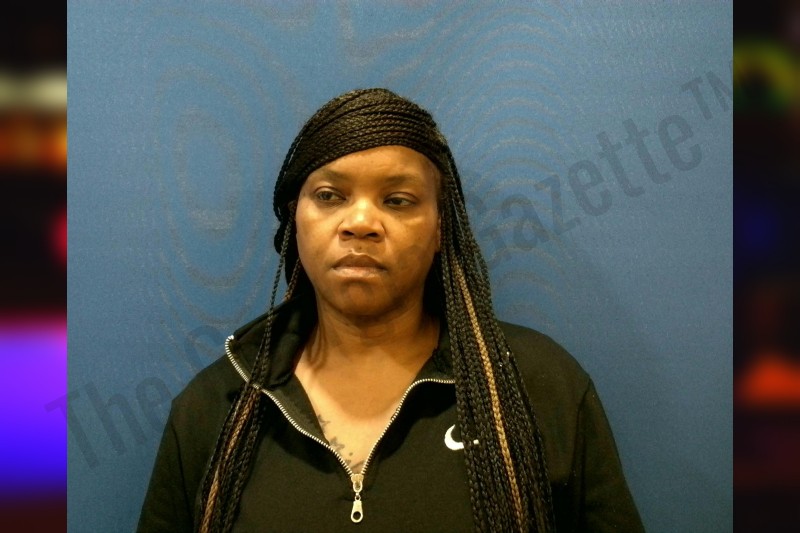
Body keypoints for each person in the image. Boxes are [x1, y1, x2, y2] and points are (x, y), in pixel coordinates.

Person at [137, 88, 645, 533]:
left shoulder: (540, 387)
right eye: (330, 196)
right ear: (295, 219)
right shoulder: (215, 409)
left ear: (441, 228)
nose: (361, 222)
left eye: (398, 200)